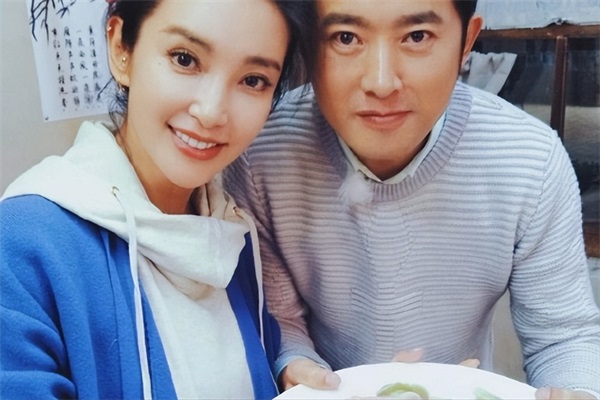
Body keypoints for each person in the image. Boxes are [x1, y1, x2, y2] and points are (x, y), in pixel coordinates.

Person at [222, 0, 600, 398]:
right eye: (345, 38)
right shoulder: (261, 154)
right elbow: (281, 318)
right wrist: (304, 369)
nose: (381, 82)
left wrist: (576, 390)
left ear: (466, 42)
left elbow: (563, 335)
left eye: (417, 36)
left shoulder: (531, 160)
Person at [0, 0, 311, 398]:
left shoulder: (231, 235)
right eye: (185, 59)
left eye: (253, 80)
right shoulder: (23, 247)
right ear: (121, 48)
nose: (211, 112)